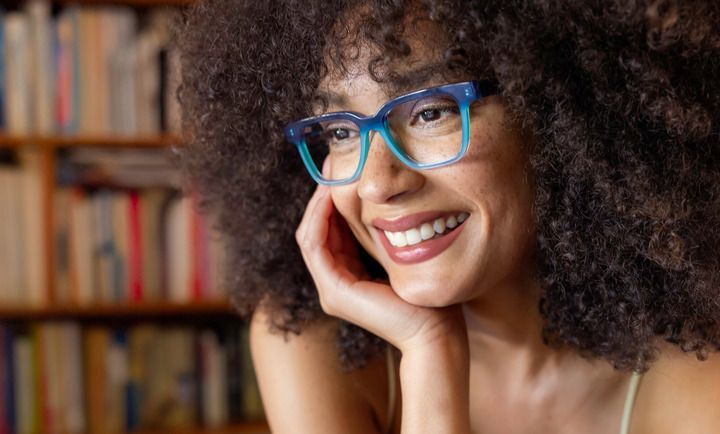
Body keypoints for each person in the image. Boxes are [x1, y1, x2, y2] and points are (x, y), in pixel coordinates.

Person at [176, 0, 720, 432]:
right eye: (340, 132)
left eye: (430, 112)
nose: (377, 183)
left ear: (558, 116)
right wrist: (428, 351)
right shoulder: (311, 342)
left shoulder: (699, 374)